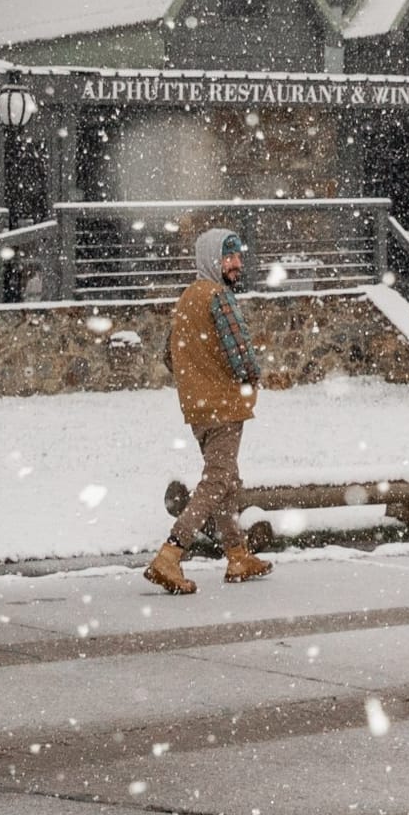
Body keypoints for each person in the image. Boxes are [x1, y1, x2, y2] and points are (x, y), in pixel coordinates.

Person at [144, 228, 273, 594]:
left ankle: (237, 554)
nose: (236, 264)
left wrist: (198, 379)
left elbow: (169, 356)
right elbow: (242, 354)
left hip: (198, 408)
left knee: (227, 480)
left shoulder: (187, 298)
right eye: (228, 257)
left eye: (237, 256)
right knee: (218, 480)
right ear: (211, 261)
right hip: (224, 406)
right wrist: (250, 378)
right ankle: (171, 553)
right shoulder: (219, 297)